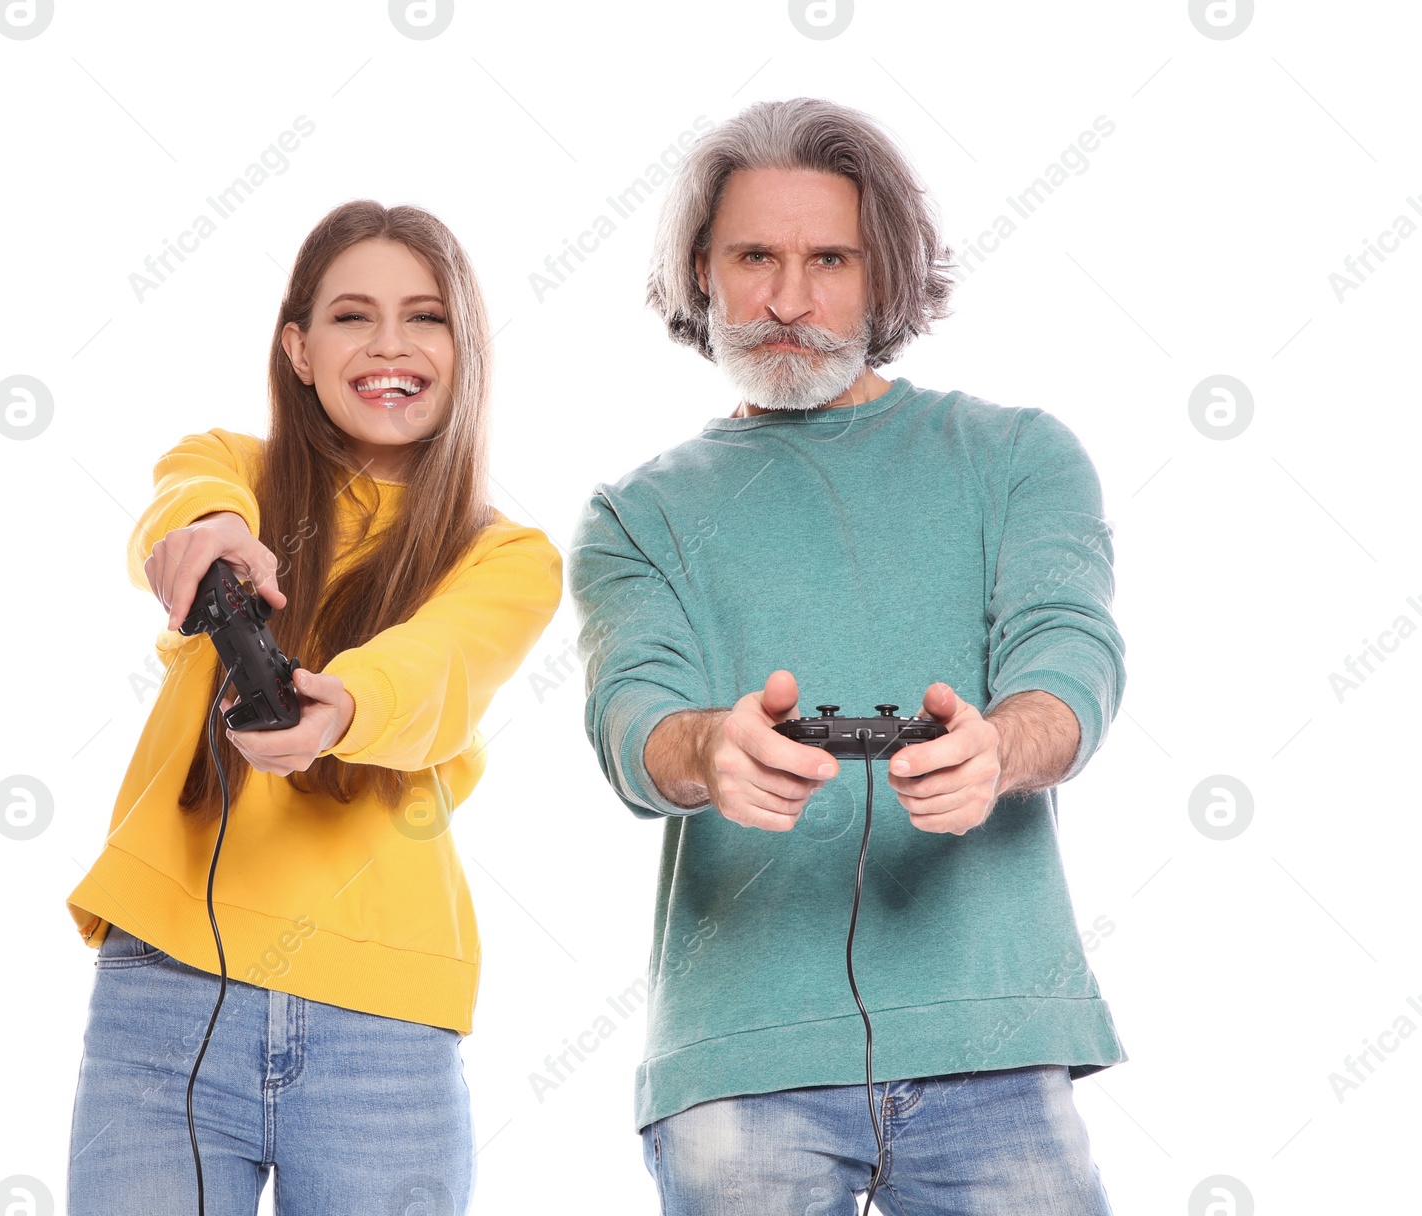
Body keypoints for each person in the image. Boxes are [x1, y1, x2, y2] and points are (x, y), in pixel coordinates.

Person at [569, 98, 1127, 1214]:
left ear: (888, 276)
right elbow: (632, 716)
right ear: (700, 272)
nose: (787, 299)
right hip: (738, 1058)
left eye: (830, 259)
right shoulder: (633, 514)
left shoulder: (1018, 455)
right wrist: (705, 752)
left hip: (993, 1037)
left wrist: (1000, 750)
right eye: (753, 258)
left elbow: (1069, 655)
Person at [65, 200, 563, 1215]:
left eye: (425, 317)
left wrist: (342, 708)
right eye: (351, 316)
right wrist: (211, 538)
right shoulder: (228, 470)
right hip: (166, 990)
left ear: (465, 349)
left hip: (383, 1023)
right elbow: (185, 505)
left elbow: (441, 663)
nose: (389, 344)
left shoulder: (508, 557)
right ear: (298, 347)